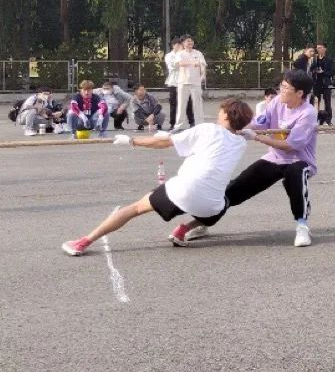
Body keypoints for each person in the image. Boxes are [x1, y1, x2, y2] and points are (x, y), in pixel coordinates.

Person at [61, 99, 254, 256]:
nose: (218, 113)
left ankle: (83, 242)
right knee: (223, 203)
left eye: (221, 111)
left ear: (226, 115)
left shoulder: (208, 129)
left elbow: (164, 143)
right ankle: (184, 229)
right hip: (209, 206)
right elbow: (233, 137)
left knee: (135, 208)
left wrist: (132, 141)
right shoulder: (241, 143)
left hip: (180, 191)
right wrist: (246, 134)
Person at [171, 69, 320, 248]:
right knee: (234, 190)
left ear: (300, 93)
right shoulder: (276, 103)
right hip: (275, 158)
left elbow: (291, 145)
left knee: (295, 177)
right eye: (281, 85)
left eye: (286, 87)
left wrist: (257, 137)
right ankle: (197, 224)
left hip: (299, 160)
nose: (281, 90)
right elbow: (259, 122)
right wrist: (235, 127)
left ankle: (302, 226)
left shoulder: (308, 113)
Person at [173, 35, 206, 130]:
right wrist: (192, 63)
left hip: (196, 83)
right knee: (181, 105)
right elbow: (180, 63)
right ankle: (179, 126)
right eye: (188, 41)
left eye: (191, 41)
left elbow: (203, 65)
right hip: (183, 82)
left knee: (198, 105)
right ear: (183, 43)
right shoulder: (180, 54)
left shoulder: (198, 53)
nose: (190, 43)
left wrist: (203, 75)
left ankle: (200, 125)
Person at [165, 37, 194, 130]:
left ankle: (192, 122)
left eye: (181, 45)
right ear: (173, 46)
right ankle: (173, 124)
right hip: (174, 83)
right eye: (178, 45)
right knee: (174, 104)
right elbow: (173, 66)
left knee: (188, 103)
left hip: (185, 82)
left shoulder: (185, 54)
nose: (180, 47)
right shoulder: (169, 56)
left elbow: (190, 65)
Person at [309, 42, 335, 123]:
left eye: (320, 47)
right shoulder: (315, 59)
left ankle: (328, 120)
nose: (318, 49)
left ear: (325, 49)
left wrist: (323, 72)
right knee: (316, 101)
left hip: (326, 83)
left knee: (327, 102)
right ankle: (315, 118)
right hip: (316, 83)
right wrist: (315, 71)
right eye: (317, 48)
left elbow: (332, 72)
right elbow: (311, 69)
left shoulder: (329, 60)